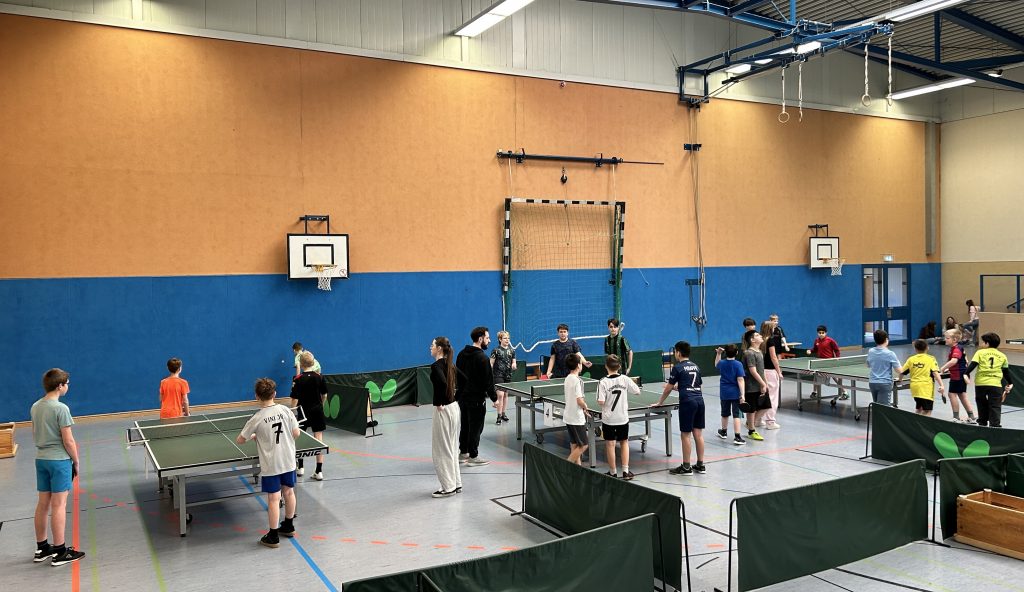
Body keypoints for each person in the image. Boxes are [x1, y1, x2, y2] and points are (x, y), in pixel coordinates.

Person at [236, 378, 299, 548]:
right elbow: (296, 433)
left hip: (272, 464)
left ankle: (273, 536)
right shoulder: (286, 410)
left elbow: (240, 440)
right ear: (275, 394)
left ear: (256, 396)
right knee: (289, 492)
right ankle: (289, 526)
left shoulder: (257, 418)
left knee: (273, 498)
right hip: (288, 460)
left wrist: (255, 435)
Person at [31, 369, 85, 566]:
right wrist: (76, 461)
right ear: (60, 386)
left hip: (41, 459)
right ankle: (60, 552)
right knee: (59, 505)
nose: (68, 386)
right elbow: (68, 440)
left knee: (43, 504)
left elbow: (35, 433)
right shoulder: (61, 408)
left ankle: (42, 548)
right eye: (67, 383)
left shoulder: (36, 406)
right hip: (59, 461)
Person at [657, 342, 707, 476]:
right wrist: (679, 388)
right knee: (698, 434)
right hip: (699, 401)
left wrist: (660, 402)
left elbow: (668, 388)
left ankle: (686, 467)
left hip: (687, 402)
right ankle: (700, 465)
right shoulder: (696, 366)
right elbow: (697, 385)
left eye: (675, 352)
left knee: (685, 434)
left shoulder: (678, 367)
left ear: (678, 353)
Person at [456, 327, 498, 466]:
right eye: (487, 338)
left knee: (465, 425)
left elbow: (458, 377)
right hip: (476, 400)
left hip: (462, 398)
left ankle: (463, 453)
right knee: (476, 428)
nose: (489, 340)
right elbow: (488, 381)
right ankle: (473, 456)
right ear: (480, 339)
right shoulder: (483, 358)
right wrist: (494, 399)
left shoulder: (461, 354)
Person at [597, 355, 641, 479]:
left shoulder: (603, 381)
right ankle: (626, 471)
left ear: (606, 366)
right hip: (622, 418)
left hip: (608, 419)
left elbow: (601, 401)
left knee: (610, 444)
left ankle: (613, 472)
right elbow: (637, 391)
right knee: (624, 442)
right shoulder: (625, 379)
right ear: (620, 366)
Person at [429, 336, 462, 497]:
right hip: (454, 408)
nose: (430, 347)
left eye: (432, 345)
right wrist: (455, 397)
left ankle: (448, 487)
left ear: (439, 348)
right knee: (452, 448)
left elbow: (441, 383)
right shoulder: (450, 364)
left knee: (442, 450)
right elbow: (465, 381)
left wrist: (439, 402)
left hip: (444, 410)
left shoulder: (436, 366)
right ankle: (456, 483)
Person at [290, 351, 327, 480]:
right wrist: (320, 405)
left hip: (303, 411)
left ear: (301, 363)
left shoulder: (298, 379)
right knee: (318, 438)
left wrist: (292, 413)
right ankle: (319, 471)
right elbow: (324, 395)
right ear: (312, 362)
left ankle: (300, 467)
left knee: (300, 438)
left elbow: (294, 399)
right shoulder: (320, 377)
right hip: (317, 410)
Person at [965, 332, 1014, 428]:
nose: (982, 344)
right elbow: (1006, 372)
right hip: (995, 384)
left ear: (987, 343)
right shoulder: (1002, 355)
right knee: (995, 405)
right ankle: (995, 426)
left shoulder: (980, 352)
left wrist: (966, 373)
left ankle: (982, 423)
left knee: (981, 404)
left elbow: (973, 365)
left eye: (983, 342)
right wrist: (1010, 383)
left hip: (981, 383)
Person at [940, 328, 976, 423]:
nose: (945, 339)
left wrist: (942, 368)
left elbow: (954, 361)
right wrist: (949, 369)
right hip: (961, 374)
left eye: (947, 338)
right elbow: (961, 361)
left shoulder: (957, 348)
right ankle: (971, 417)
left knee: (952, 394)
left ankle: (956, 417)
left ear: (954, 340)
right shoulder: (956, 348)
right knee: (962, 395)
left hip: (958, 375)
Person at [901, 339, 946, 417]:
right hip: (926, 389)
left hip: (915, 388)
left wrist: (899, 380)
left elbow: (902, 372)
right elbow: (935, 373)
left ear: (915, 349)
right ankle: (921, 424)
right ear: (927, 348)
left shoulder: (911, 359)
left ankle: (915, 423)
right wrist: (942, 385)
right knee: (927, 411)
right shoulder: (931, 359)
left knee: (919, 408)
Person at [562, 354, 590, 466]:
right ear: (579, 365)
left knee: (574, 444)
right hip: (576, 418)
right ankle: (566, 465)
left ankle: (577, 468)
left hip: (568, 416)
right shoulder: (578, 381)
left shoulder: (567, 378)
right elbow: (579, 400)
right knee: (584, 445)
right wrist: (585, 407)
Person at [715, 344, 746, 445]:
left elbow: (716, 364)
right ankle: (737, 437)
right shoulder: (738, 364)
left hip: (724, 392)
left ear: (726, 353)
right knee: (736, 415)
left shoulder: (722, 363)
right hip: (735, 393)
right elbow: (740, 380)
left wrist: (718, 353)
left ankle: (723, 432)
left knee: (725, 413)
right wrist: (743, 394)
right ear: (736, 353)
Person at [742, 330, 769, 441]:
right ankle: (751, 431)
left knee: (766, 406)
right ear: (752, 340)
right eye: (757, 335)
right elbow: (753, 371)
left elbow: (761, 370)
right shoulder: (749, 353)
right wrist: (762, 383)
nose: (761, 336)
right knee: (752, 410)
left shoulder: (759, 352)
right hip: (751, 386)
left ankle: (750, 423)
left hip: (760, 384)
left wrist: (765, 383)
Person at [807, 325, 846, 400]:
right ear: (817, 333)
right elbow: (815, 349)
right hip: (820, 362)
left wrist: (837, 357)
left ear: (826, 333)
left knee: (834, 377)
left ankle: (844, 392)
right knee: (815, 376)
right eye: (819, 333)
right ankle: (814, 392)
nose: (821, 334)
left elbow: (836, 349)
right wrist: (810, 351)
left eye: (823, 333)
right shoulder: (817, 341)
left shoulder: (830, 340)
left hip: (829, 362)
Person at [866, 330, 904, 407]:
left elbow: (868, 365)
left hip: (872, 383)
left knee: (877, 406)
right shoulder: (890, 354)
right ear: (886, 339)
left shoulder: (871, 351)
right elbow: (899, 371)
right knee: (883, 409)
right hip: (884, 383)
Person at [759, 320, 783, 429]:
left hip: (760, 371)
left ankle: (758, 419)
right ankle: (770, 422)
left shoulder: (759, 340)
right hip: (770, 371)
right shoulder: (770, 340)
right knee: (772, 397)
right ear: (770, 329)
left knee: (762, 395)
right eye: (773, 327)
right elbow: (773, 357)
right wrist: (779, 371)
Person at [489, 331, 516, 425]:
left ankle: (504, 413)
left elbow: (514, 361)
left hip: (507, 375)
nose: (507, 340)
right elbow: (491, 363)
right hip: (498, 375)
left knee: (505, 395)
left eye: (508, 338)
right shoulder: (496, 350)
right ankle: (499, 416)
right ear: (500, 339)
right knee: (500, 395)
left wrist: (514, 365)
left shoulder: (512, 350)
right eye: (505, 338)